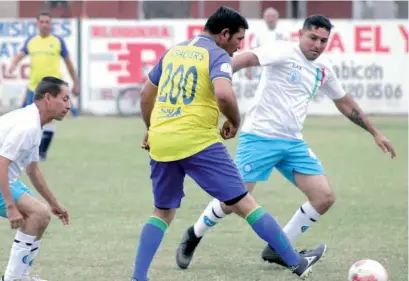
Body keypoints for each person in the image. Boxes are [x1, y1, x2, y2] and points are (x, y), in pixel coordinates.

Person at [176, 14, 396, 271]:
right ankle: (194, 234)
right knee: (233, 200)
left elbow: (345, 102)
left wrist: (375, 132)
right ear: (301, 34)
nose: (317, 44)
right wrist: (214, 76)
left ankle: (278, 248)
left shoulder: (323, 70)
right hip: (259, 137)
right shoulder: (282, 51)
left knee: (324, 197)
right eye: (313, 37)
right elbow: (244, 59)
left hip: (292, 143)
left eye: (323, 40)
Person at [131, 7, 327, 281]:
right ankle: (296, 262)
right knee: (245, 204)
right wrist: (234, 120)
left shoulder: (175, 50)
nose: (239, 47)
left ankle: (138, 278)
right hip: (198, 141)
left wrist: (151, 128)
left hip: (162, 140)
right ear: (224, 34)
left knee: (162, 212)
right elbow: (224, 93)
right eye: (238, 39)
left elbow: (145, 93)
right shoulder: (217, 54)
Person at [0, 77, 72, 281]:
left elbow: (33, 170)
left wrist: (55, 203)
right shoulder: (28, 125)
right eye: (65, 99)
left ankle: (20, 276)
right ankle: (12, 278)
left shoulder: (34, 121)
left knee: (43, 215)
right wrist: (10, 206)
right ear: (48, 98)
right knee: (38, 214)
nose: (69, 106)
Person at [9, 11, 80, 161]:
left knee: (49, 118)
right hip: (34, 87)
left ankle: (42, 153)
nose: (44, 25)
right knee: (28, 120)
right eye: (42, 22)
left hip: (53, 88)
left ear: (51, 24)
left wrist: (76, 82)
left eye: (47, 22)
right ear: (37, 24)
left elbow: (69, 63)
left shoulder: (57, 41)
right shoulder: (32, 41)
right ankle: (27, 151)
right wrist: (13, 65)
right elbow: (20, 55)